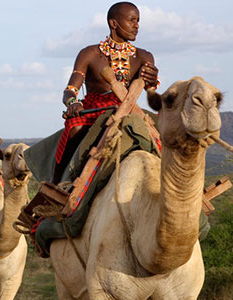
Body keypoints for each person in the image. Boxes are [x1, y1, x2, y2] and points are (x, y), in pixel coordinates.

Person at [53, 1, 159, 184]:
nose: (137, 26)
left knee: (164, 131)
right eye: (132, 20)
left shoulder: (144, 56)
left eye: (138, 21)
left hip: (130, 111)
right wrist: (73, 103)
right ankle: (58, 184)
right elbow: (70, 91)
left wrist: (152, 81)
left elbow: (153, 97)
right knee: (75, 128)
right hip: (93, 112)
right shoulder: (90, 54)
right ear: (114, 23)